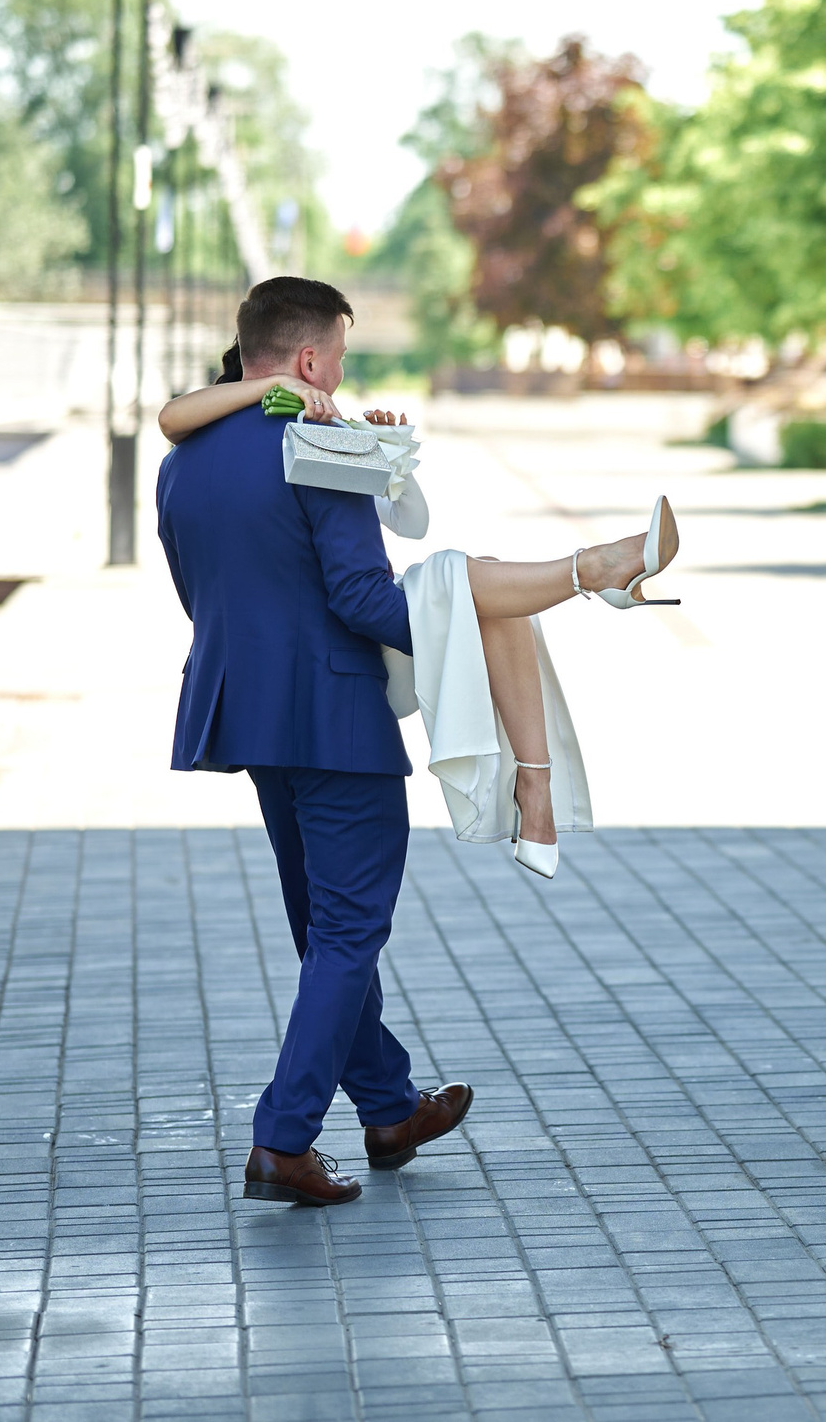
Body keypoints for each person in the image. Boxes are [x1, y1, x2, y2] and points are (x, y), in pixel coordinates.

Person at [156, 275, 678, 1207]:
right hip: (335, 716)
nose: (345, 372)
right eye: (342, 357)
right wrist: (459, 609)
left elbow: (203, 589)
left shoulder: (182, 462)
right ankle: (283, 1138)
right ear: (310, 360)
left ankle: (390, 1108)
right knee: (350, 931)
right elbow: (364, 600)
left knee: (326, 930)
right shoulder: (322, 441)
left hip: (248, 710)